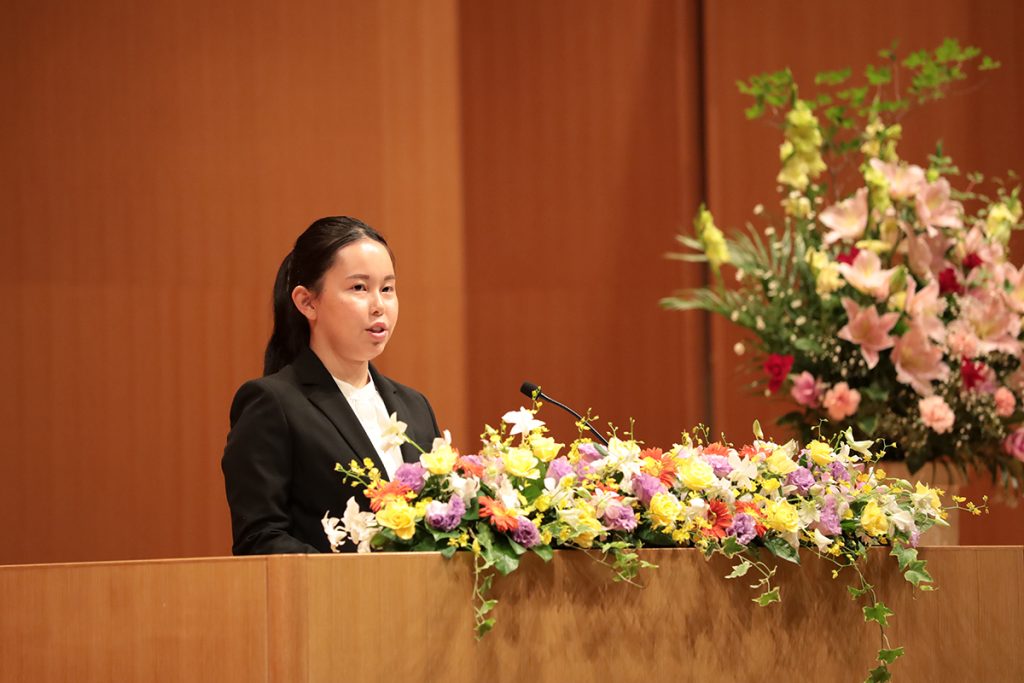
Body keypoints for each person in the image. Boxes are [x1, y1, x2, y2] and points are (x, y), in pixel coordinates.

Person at [222, 216, 441, 554]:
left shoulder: (416, 407)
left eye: (387, 288)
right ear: (307, 302)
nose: (378, 305)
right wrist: (349, 581)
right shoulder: (272, 403)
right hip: (330, 604)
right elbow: (259, 539)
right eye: (359, 288)